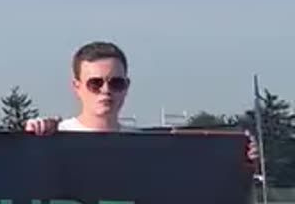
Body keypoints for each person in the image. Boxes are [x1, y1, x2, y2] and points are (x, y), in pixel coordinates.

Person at [24, 40, 259, 167]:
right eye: (95, 83)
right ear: (77, 86)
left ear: (127, 86)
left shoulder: (145, 147)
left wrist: (237, 161)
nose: (106, 91)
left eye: (115, 83)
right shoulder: (52, 138)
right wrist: (31, 136)